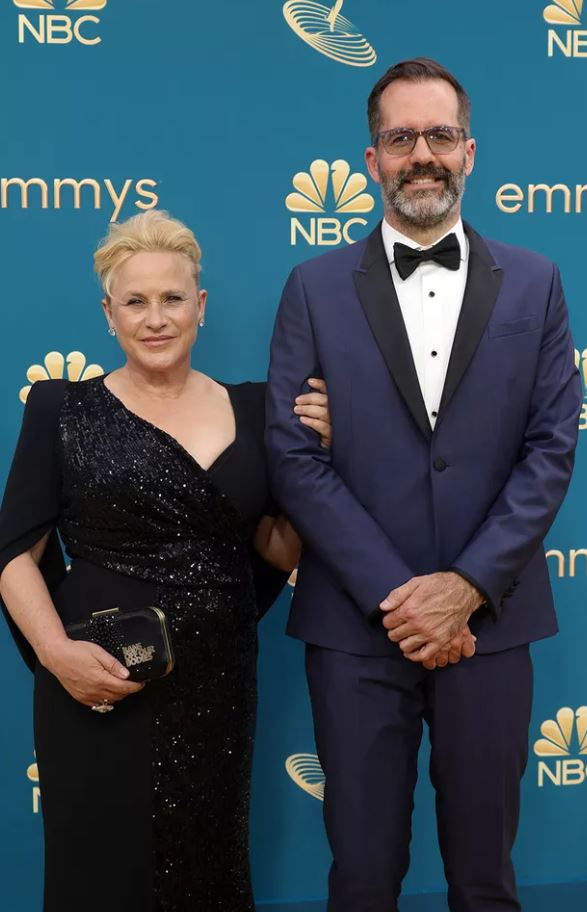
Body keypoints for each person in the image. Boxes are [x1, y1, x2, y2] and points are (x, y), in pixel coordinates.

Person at [266, 57, 581, 912]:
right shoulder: (313, 287)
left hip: (490, 623)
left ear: (468, 151)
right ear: (372, 159)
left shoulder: (537, 281)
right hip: (354, 624)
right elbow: (293, 457)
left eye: (439, 135)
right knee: (362, 876)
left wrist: (464, 588)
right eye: (400, 138)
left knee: (484, 878)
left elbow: (550, 448)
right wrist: (401, 598)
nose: (421, 156)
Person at [0, 210, 332, 912]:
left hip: (216, 686)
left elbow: (278, 550)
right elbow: (14, 554)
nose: (155, 319)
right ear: (108, 313)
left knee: (205, 871)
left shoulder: (259, 411)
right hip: (96, 679)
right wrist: (57, 654)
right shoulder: (60, 408)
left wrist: (320, 459)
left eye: (173, 298)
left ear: (200, 306)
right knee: (100, 878)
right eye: (135, 301)